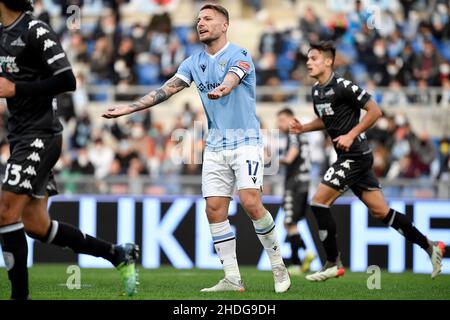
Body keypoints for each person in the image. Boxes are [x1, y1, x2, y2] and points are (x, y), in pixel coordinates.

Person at [103, 3, 291, 293]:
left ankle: (278, 265)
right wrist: (130, 108)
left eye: (207, 19)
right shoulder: (192, 62)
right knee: (214, 209)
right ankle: (232, 277)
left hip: (246, 141)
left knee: (251, 202)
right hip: (215, 145)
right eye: (198, 19)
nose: (200, 23)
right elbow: (166, 90)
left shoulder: (240, 55)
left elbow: (232, 78)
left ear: (224, 25)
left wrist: (224, 88)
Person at [0, 0, 138, 300]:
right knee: (37, 225)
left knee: (5, 211)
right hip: (20, 136)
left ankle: (19, 297)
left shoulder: (35, 30)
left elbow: (68, 80)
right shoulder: (2, 34)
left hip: (42, 134)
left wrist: (15, 90)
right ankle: (117, 254)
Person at [289, 40, 445, 281]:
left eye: (314, 58)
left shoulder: (343, 85)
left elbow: (375, 111)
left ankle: (332, 262)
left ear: (328, 61)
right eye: (308, 59)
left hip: (356, 155)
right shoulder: (316, 91)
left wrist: (351, 135)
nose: (308, 63)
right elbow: (326, 120)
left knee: (319, 203)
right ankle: (430, 246)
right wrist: (304, 127)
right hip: (349, 156)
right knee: (381, 211)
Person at [277, 107, 316, 275]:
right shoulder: (302, 134)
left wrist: (274, 160)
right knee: (290, 223)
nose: (278, 124)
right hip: (305, 183)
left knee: (289, 222)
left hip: (294, 183)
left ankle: (297, 261)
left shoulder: (294, 133)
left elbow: (292, 155)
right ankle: (304, 255)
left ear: (290, 119)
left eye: (281, 120)